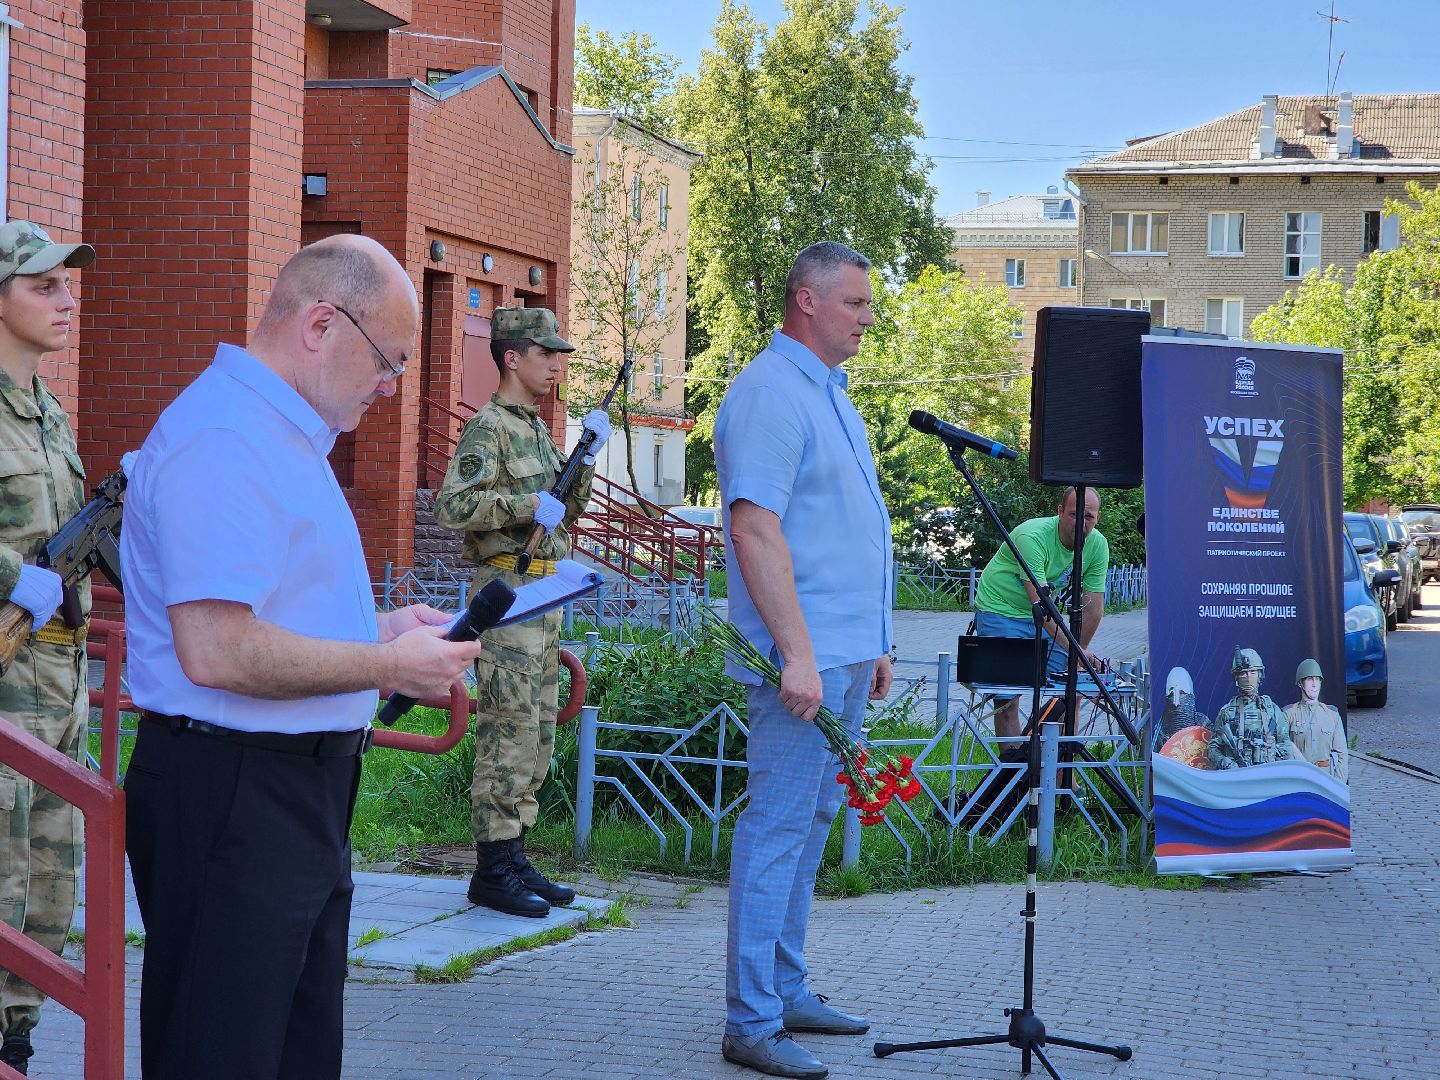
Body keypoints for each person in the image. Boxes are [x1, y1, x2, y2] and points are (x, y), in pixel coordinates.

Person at [119, 235, 485, 1080]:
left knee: (293, 1052)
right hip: (236, 790)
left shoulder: (278, 434)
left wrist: (381, 633)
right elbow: (216, 648)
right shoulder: (226, 437)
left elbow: (268, 609)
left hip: (289, 790)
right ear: (323, 322)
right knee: (223, 1053)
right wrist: (387, 668)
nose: (391, 388)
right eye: (387, 361)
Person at [714, 241, 894, 1080]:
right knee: (778, 828)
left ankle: (785, 991)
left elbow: (846, 528)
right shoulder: (769, 394)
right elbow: (756, 529)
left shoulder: (829, 393)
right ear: (806, 301)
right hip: (803, 662)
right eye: (855, 303)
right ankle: (749, 1020)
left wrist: (876, 640)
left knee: (813, 822)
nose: (868, 317)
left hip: (842, 653)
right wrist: (796, 653)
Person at [434, 307, 610, 918]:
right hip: (506, 596)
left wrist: (585, 455)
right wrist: (524, 502)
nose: (558, 365)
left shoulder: (534, 428)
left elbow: (566, 507)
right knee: (505, 732)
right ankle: (491, 868)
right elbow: (453, 506)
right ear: (513, 356)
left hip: (542, 598)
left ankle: (515, 854)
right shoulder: (489, 427)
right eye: (548, 353)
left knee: (536, 732)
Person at [0, 220, 96, 1076]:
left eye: (68, 286)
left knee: (50, 878)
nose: (67, 303)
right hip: (6, 683)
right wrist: (8, 574)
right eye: (44, 288)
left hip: (60, 676)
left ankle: (16, 1044)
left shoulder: (48, 407)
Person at [972, 488, 1108, 739]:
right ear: (1059, 512)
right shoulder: (1031, 536)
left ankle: (1057, 774)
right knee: (1007, 697)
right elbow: (1042, 608)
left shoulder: (1098, 544)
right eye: (1073, 514)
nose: (1081, 523)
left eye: (1088, 516)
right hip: (1001, 608)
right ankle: (1014, 771)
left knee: (1071, 688)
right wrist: (1077, 652)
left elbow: (1093, 606)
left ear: (1098, 517)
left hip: (1043, 618)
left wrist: (1076, 656)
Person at [1208, 648, 1294, 769]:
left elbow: (1285, 744)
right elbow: (1213, 748)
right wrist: (1226, 763)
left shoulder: (1271, 709)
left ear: (1260, 675)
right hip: (1237, 778)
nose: (1248, 677)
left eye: (1253, 672)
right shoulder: (1228, 712)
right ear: (1236, 677)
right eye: (1243, 673)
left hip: (1269, 776)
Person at [1284, 658, 1348, 782]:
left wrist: (1338, 786)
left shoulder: (1332, 715)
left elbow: (1342, 754)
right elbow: (1282, 747)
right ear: (1300, 683)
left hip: (1326, 778)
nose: (1314, 684)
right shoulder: (1289, 713)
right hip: (1298, 779)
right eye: (1309, 679)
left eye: (1317, 679)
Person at [1156, 666, 1209, 750]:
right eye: (1171, 694)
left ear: (1190, 696)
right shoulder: (1160, 728)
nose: (1176, 698)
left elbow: (1213, 750)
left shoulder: (1202, 722)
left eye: (1182, 693)